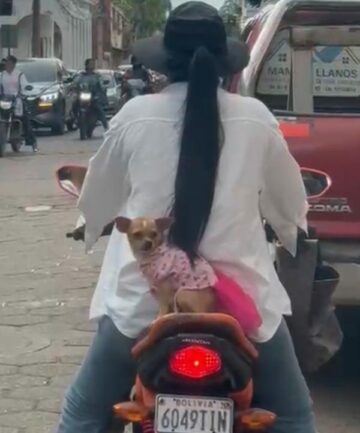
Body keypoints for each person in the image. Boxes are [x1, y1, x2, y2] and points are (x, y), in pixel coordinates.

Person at [55, 3, 315, 433]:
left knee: (82, 414)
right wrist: (290, 232)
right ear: (225, 65)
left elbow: (97, 200)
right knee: (294, 415)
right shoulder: (257, 119)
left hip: (143, 311)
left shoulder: (133, 117)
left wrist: (91, 226)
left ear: (163, 65)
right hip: (238, 312)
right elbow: (290, 209)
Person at [0, 55, 37, 151]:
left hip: (17, 101)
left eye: (9, 63)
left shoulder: (19, 74)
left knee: (25, 120)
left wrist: (23, 92)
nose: (7, 65)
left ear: (13, 64)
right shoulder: (1, 75)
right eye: (6, 63)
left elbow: (25, 86)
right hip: (4, 101)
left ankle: (32, 142)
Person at [73, 59, 110, 131]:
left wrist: (102, 89)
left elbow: (102, 86)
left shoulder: (97, 76)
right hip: (83, 96)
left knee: (99, 109)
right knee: (74, 105)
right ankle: (75, 120)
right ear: (86, 65)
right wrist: (74, 88)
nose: (92, 65)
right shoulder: (81, 75)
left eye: (93, 64)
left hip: (93, 97)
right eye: (90, 64)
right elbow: (75, 83)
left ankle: (106, 126)